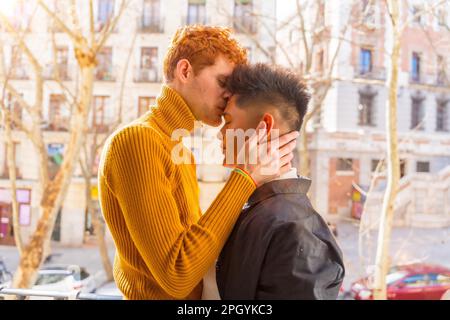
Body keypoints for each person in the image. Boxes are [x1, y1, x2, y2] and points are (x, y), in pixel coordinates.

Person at [98, 26, 299, 299]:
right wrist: (245, 177)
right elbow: (177, 275)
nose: (229, 95)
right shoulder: (138, 140)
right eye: (222, 82)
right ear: (185, 71)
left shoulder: (180, 152)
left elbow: (192, 252)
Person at [210, 63, 345, 300]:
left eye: (228, 121)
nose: (220, 133)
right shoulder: (260, 208)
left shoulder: (295, 229)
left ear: (266, 127)